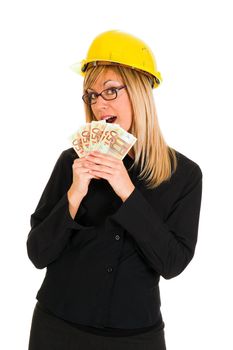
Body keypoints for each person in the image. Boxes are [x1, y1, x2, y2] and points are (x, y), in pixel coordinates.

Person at [26, 30, 203, 350]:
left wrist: (127, 192)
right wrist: (73, 196)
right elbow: (38, 253)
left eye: (110, 91)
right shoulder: (72, 162)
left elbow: (173, 263)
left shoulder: (185, 175)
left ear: (139, 92)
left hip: (135, 337)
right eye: (91, 94)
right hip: (57, 328)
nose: (98, 104)